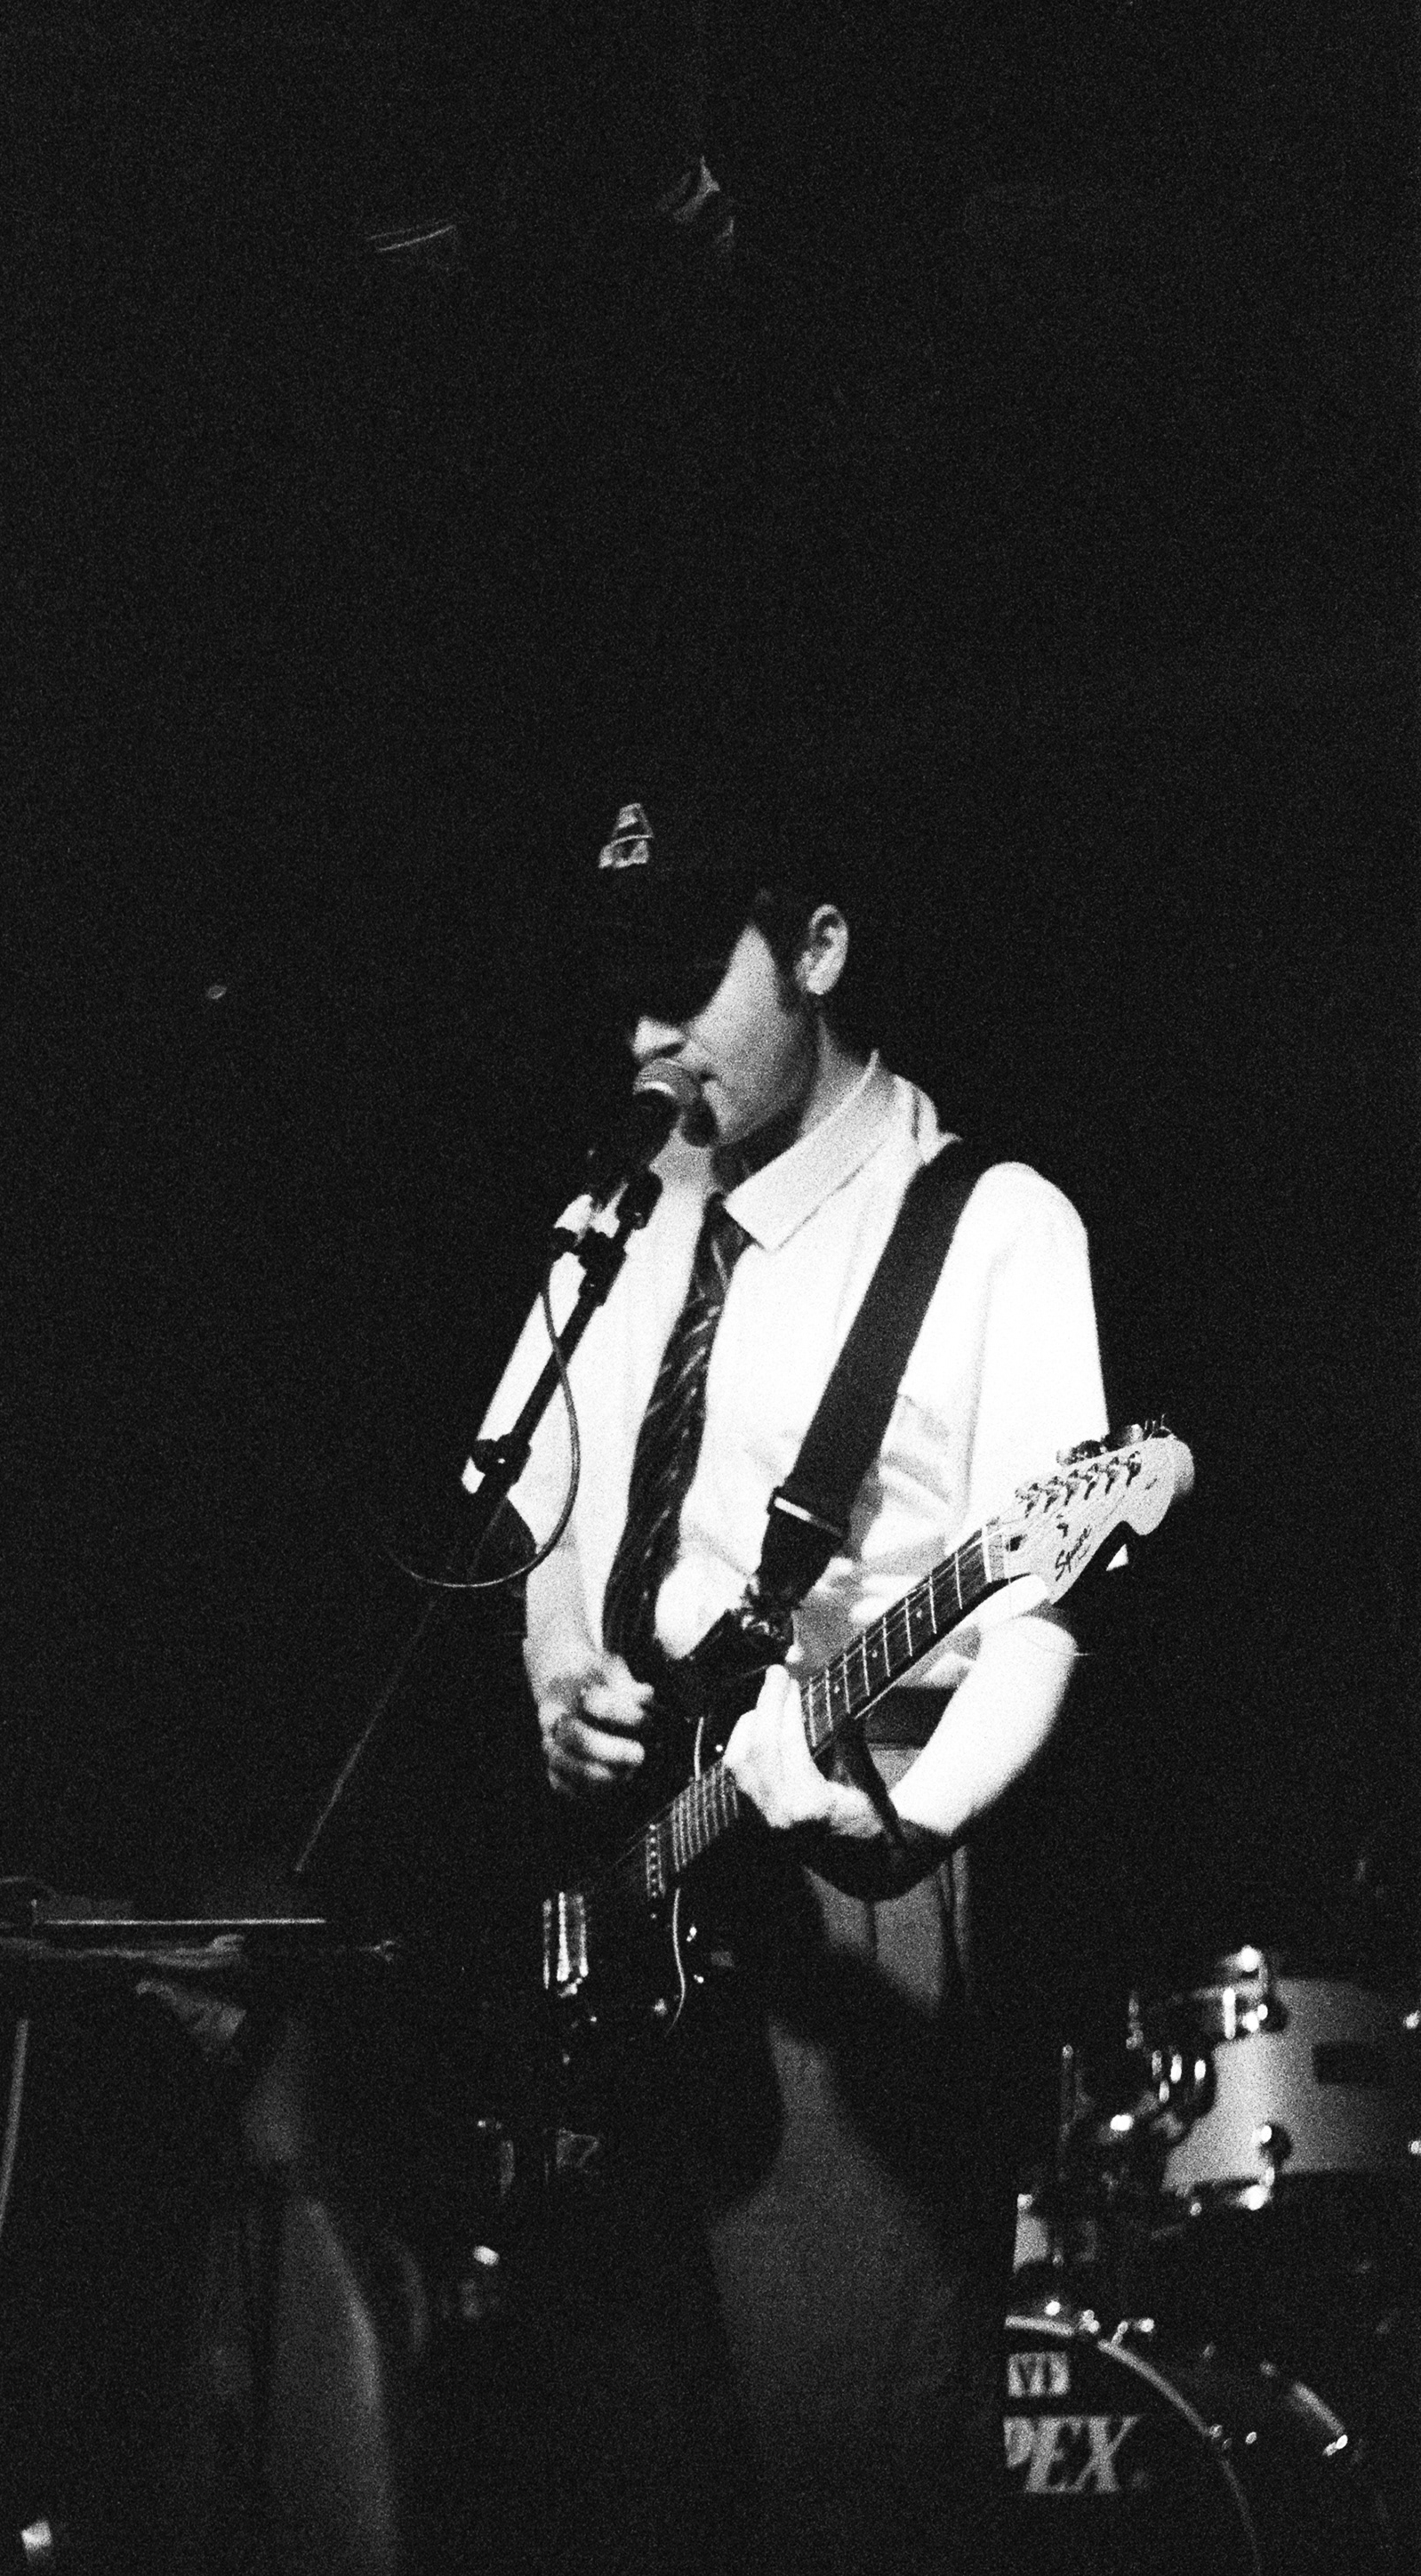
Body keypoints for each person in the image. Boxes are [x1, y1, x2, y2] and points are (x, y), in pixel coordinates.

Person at [472, 769, 1111, 2575]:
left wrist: (901, 1819)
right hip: (629, 1883)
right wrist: (555, 1659)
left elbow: (1037, 1608)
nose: (648, 1036)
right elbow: (531, 1487)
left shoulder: (994, 1225)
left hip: (853, 1875)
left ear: (818, 947)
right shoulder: (626, 1214)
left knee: (848, 2478)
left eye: (690, 980)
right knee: (618, 2481)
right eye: (626, 990)